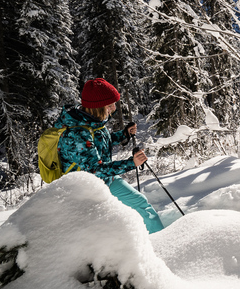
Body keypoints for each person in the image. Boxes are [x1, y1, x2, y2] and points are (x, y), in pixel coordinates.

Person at [56, 78, 164, 234]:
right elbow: (94, 170)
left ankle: (161, 240)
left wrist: (123, 134)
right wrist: (130, 163)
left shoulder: (93, 121)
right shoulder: (76, 133)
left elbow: (99, 143)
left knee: (140, 204)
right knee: (108, 224)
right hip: (86, 188)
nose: (114, 108)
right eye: (110, 105)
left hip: (106, 179)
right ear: (97, 106)